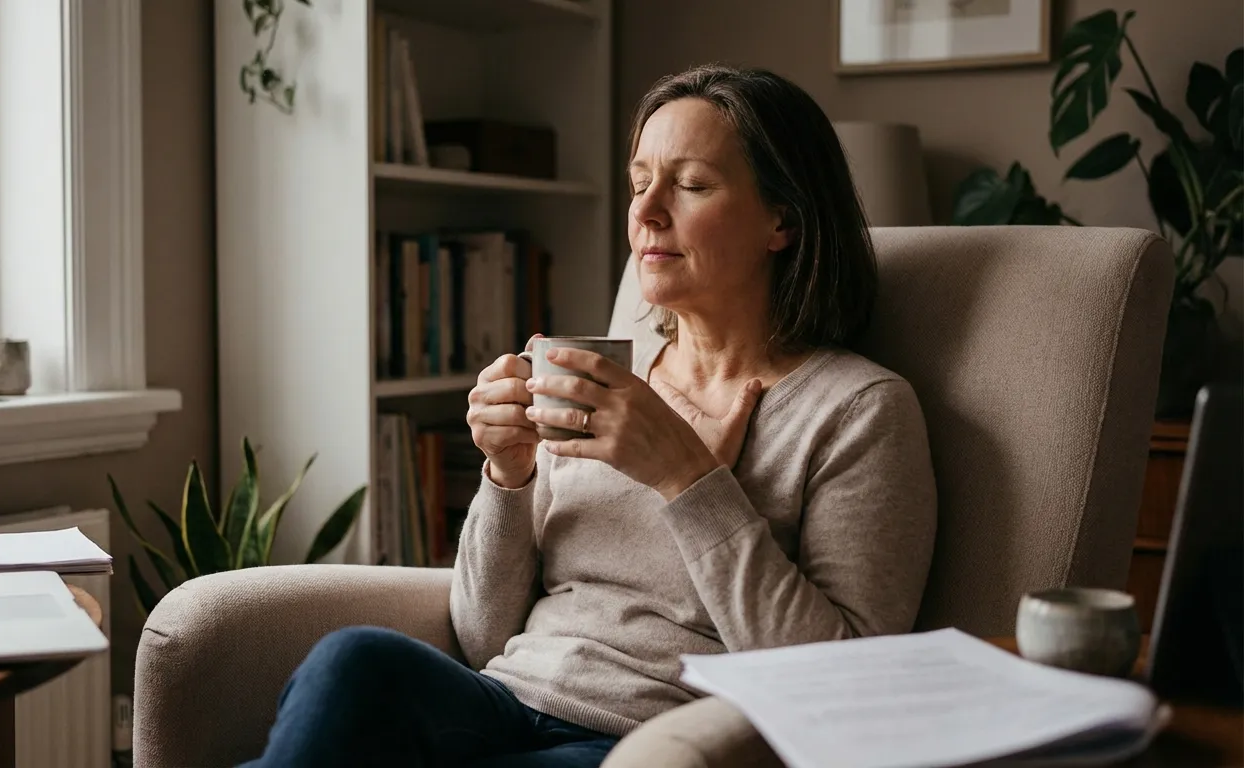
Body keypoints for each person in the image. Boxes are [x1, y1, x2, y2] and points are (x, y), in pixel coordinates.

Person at [238, 63, 938, 768]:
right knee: (353, 659)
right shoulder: (602, 378)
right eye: (640, 184)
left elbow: (843, 679)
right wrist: (507, 477)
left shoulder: (857, 411)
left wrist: (688, 480)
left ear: (782, 221)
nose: (646, 212)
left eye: (691, 185)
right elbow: (483, 637)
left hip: (647, 739)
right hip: (505, 701)